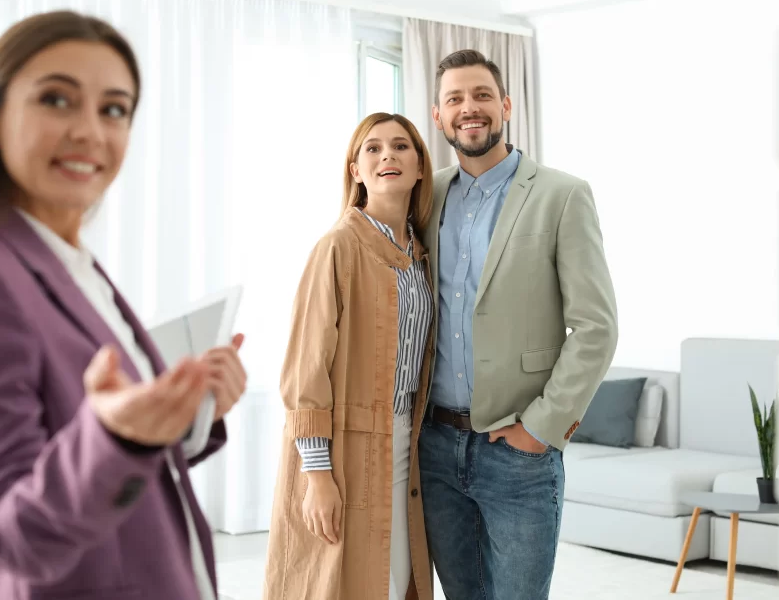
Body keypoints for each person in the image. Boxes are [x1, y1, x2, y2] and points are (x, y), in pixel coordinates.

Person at [0, 10, 247, 600]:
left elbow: (96, 465)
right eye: (57, 100)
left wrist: (188, 415)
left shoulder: (74, 266)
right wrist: (118, 439)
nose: (89, 131)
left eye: (113, 109)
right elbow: (13, 531)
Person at [418, 50, 619, 600]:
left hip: (517, 452)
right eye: (454, 99)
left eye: (482, 95)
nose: (469, 109)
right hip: (434, 449)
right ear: (438, 116)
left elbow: (596, 326)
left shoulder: (562, 194)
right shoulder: (424, 196)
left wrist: (542, 427)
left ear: (506, 105)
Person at [263, 113, 436, 600]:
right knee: (337, 583)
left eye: (401, 147)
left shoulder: (420, 255)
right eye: (373, 149)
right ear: (356, 170)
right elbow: (304, 372)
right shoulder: (337, 247)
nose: (388, 156)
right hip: (342, 451)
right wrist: (318, 477)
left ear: (420, 167)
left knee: (398, 580)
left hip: (408, 446)